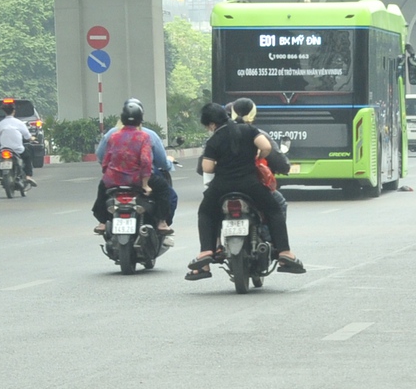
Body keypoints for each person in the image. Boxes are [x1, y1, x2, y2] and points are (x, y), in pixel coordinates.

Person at [188, 98, 305, 279]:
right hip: (250, 184)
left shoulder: (214, 140)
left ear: (212, 124)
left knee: (205, 213)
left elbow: (207, 168)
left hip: (221, 186)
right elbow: (266, 147)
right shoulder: (249, 130)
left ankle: (205, 254)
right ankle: (284, 253)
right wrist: (257, 155)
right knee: (274, 210)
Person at [93, 97, 175, 235]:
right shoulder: (144, 136)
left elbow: (105, 159)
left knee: (102, 190)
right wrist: (145, 184)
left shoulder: (112, 135)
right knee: (163, 189)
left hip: (114, 179)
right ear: (140, 119)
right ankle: (161, 222)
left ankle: (102, 222)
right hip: (136, 180)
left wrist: (109, 174)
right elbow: (146, 161)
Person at [0, 99, 35, 186]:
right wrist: (32, 138)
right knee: (27, 158)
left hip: (4, 150)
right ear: (14, 111)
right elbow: (27, 136)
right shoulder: (19, 123)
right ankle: (28, 176)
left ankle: (1, 174)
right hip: (18, 150)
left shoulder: (0, 124)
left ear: (4, 111)